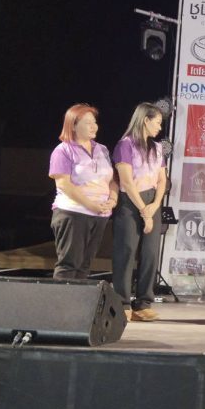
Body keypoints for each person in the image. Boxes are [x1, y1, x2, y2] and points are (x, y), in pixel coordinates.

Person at [48, 103, 118, 280]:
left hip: (100, 215)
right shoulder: (63, 150)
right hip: (73, 213)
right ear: (73, 125)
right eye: (88, 123)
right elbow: (64, 184)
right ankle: (61, 299)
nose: (94, 126)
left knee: (85, 266)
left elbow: (112, 180)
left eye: (94, 122)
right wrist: (91, 205)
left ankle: (79, 299)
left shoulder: (102, 149)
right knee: (69, 264)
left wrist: (113, 200)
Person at [111, 102, 167, 322]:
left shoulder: (158, 148)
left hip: (152, 201)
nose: (159, 127)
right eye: (157, 122)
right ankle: (122, 302)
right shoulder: (125, 145)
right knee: (126, 251)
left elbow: (162, 180)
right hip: (130, 201)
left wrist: (155, 204)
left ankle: (143, 302)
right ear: (145, 120)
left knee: (150, 253)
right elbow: (126, 181)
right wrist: (144, 210)